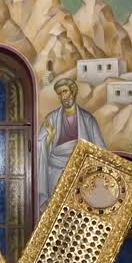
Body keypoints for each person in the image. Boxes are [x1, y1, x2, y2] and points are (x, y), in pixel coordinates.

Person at [37, 78, 105, 208]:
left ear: (72, 92)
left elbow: (100, 149)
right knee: (56, 207)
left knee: (79, 207)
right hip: (55, 171)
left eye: (65, 91)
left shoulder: (87, 119)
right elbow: (39, 147)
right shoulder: (51, 118)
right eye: (60, 94)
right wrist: (50, 137)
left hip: (80, 170)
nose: (63, 96)